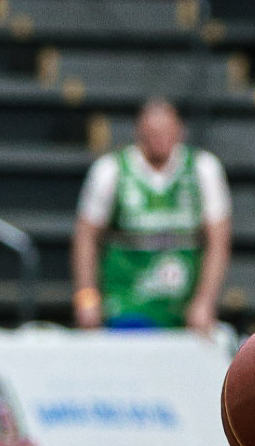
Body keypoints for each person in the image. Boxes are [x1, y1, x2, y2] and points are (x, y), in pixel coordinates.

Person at [72, 98, 231, 334]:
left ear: (180, 131)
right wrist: (87, 298)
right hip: (128, 303)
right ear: (139, 133)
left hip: (182, 303)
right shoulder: (111, 171)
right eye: (152, 133)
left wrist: (205, 300)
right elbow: (85, 236)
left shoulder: (203, 169)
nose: (159, 139)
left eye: (166, 132)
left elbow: (218, 240)